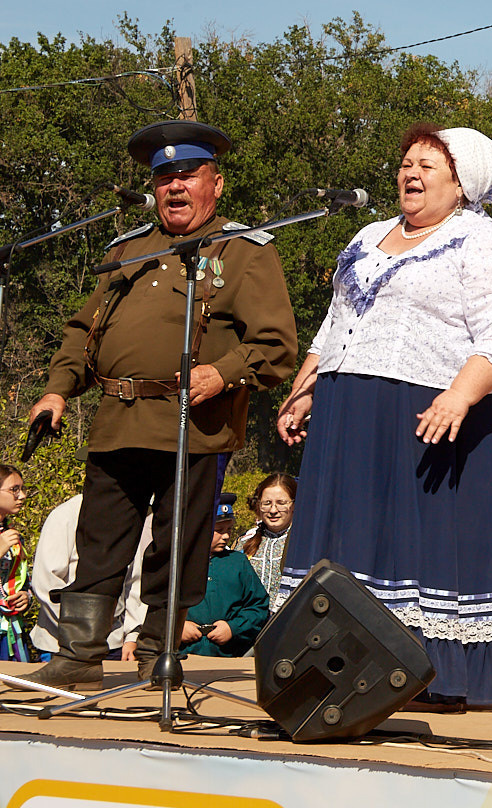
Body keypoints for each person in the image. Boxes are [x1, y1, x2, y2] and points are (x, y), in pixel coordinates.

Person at [23, 121, 297, 688]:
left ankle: (157, 653)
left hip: (191, 428)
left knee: (178, 547)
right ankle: (78, 655)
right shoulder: (127, 251)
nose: (174, 186)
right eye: (163, 176)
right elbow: (83, 332)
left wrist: (220, 374)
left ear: (215, 185)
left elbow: (276, 348)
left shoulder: (242, 251)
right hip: (117, 422)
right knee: (97, 545)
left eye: (187, 175)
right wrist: (56, 388)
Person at [278, 125, 492, 708]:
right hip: (350, 410)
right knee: (350, 542)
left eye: (427, 166)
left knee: (416, 548)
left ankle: (430, 675)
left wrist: (461, 395)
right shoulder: (369, 235)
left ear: (463, 184)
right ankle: (338, 666)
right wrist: (304, 390)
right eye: (405, 163)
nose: (409, 174)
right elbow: (335, 323)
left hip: (426, 412)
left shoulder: (483, 242)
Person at [26, 495, 148, 664]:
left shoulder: (127, 518)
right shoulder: (65, 515)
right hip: (60, 643)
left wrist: (132, 634)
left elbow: (134, 582)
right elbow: (46, 583)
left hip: (113, 643)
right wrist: (78, 633)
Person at [177, 499, 271, 658]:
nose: (226, 535)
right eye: (219, 530)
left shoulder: (238, 562)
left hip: (230, 655)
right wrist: (177, 628)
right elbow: (158, 606)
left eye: (229, 529)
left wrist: (233, 628)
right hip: (183, 654)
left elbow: (259, 606)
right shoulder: (178, 563)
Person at [235, 473, 295, 602]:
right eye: (267, 503)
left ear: (293, 505)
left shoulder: (303, 545)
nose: (273, 510)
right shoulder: (243, 543)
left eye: (281, 503)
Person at [0, 466, 29, 663]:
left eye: (22, 489)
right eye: (14, 490)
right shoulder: (6, 539)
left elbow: (24, 578)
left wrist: (26, 596)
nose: (23, 495)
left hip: (10, 628)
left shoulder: (12, 535)